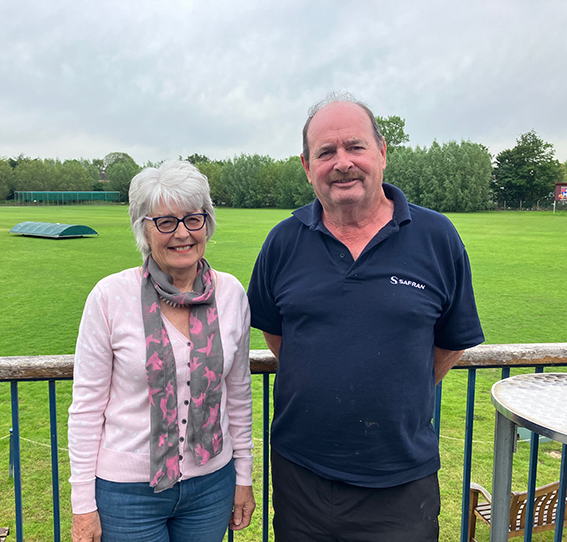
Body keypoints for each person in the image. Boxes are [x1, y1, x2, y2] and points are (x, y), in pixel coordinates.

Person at [247, 92, 484, 542]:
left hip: (400, 480)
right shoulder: (282, 242)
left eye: (355, 147)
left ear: (382, 153)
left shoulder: (437, 238)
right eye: (326, 152)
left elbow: (452, 339)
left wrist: (401, 384)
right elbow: (278, 336)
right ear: (306, 166)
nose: (342, 163)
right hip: (301, 475)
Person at [68, 160, 255, 542]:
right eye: (165, 222)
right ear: (143, 230)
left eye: (193, 219)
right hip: (126, 494)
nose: (182, 233)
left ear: (208, 222)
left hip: (211, 486)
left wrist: (243, 476)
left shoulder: (232, 294)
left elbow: (238, 394)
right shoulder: (109, 297)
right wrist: (82, 505)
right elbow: (86, 407)